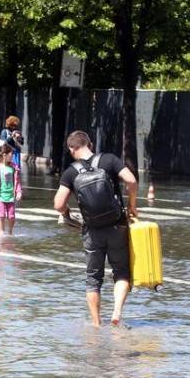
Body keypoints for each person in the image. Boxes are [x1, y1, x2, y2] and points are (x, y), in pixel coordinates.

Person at [53, 131, 138, 327]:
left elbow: (58, 204)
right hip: (117, 225)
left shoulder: (71, 172)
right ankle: (116, 313)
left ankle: (96, 324)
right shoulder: (109, 160)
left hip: (92, 231)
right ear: (89, 143)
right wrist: (132, 205)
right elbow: (131, 181)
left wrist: (67, 212)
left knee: (93, 279)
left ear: (71, 149)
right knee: (122, 272)